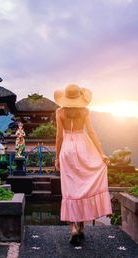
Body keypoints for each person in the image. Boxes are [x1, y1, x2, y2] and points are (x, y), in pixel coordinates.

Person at [54, 84, 112, 244]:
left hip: (67, 149)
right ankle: (81, 227)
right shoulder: (85, 111)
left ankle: (72, 228)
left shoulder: (59, 112)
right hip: (83, 147)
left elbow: (59, 136)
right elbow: (92, 132)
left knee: (70, 189)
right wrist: (101, 152)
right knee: (83, 187)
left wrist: (57, 157)